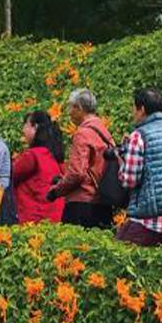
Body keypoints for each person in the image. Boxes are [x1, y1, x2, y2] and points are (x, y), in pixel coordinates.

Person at [115, 86, 162, 246]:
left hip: (150, 219)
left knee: (119, 251)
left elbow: (129, 180)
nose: (132, 113)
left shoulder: (139, 135)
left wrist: (120, 160)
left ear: (141, 109)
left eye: (133, 109)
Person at [50, 88, 113, 228]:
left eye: (70, 107)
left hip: (82, 205)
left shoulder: (82, 134)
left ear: (79, 108)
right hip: (103, 203)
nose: (69, 112)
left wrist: (57, 190)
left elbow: (77, 173)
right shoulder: (105, 133)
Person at [11, 110, 65, 224]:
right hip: (54, 215)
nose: (23, 131)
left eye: (25, 126)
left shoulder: (32, 155)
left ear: (35, 127)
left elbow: (10, 175)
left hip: (33, 216)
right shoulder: (55, 155)